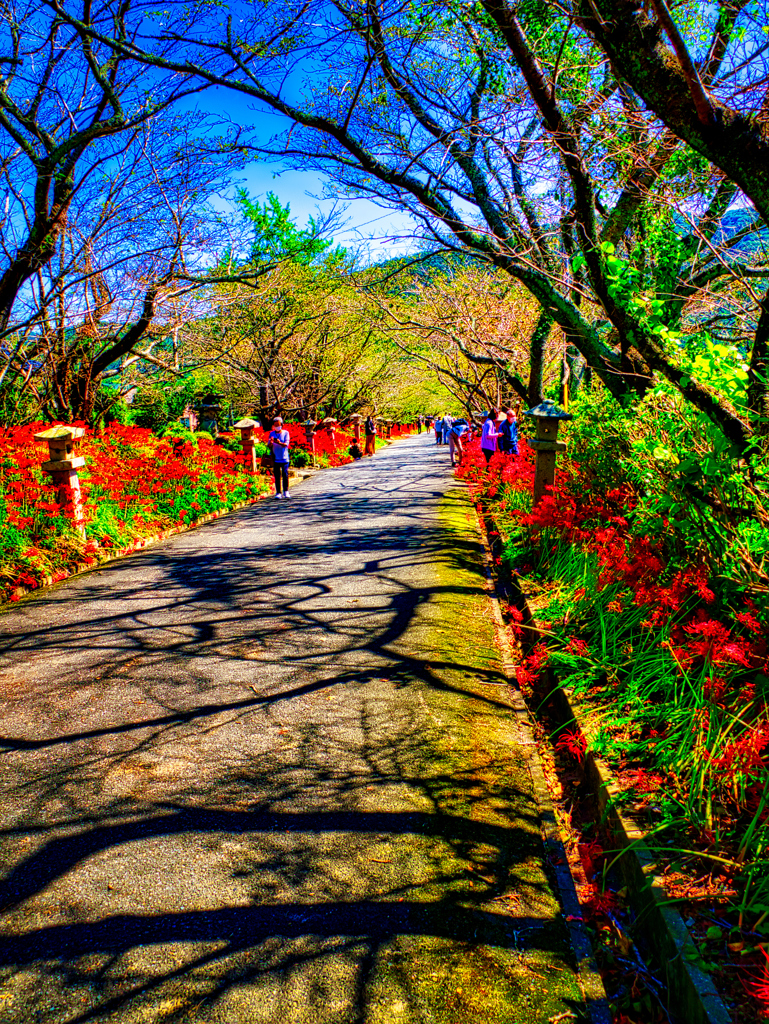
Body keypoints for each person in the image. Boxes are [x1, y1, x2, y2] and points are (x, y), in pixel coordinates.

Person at [268, 416, 291, 498]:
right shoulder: (271, 434)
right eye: (275, 425)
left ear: (282, 424)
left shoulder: (286, 433)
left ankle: (286, 491)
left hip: (284, 458)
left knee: (285, 474)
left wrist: (279, 442)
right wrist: (271, 442)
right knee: (277, 476)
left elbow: (286, 444)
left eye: (278, 425)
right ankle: (278, 492)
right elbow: (269, 446)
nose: (277, 427)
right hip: (275, 458)